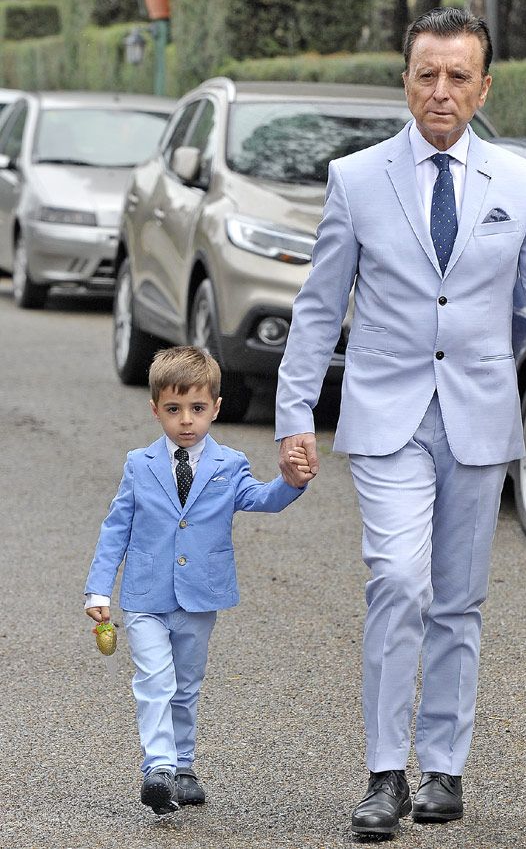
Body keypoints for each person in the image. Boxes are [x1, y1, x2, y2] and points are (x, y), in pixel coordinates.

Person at [275, 7, 526, 837]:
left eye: (459, 76)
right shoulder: (356, 179)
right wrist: (293, 417)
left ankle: (443, 770)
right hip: (387, 417)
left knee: (458, 602)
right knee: (397, 580)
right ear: (406, 80)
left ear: (484, 85)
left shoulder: (521, 181)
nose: (442, 91)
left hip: (479, 417)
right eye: (427, 74)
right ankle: (385, 774)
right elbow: (318, 311)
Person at [84, 345, 312, 816]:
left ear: (216, 408)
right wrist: (99, 589)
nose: (185, 420)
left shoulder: (229, 465)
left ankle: (183, 766)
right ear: (155, 410)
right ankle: (158, 769)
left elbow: (262, 499)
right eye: (173, 409)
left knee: (186, 685)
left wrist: (290, 480)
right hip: (145, 595)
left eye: (196, 409)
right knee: (154, 679)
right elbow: (116, 528)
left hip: (199, 597)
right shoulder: (139, 464)